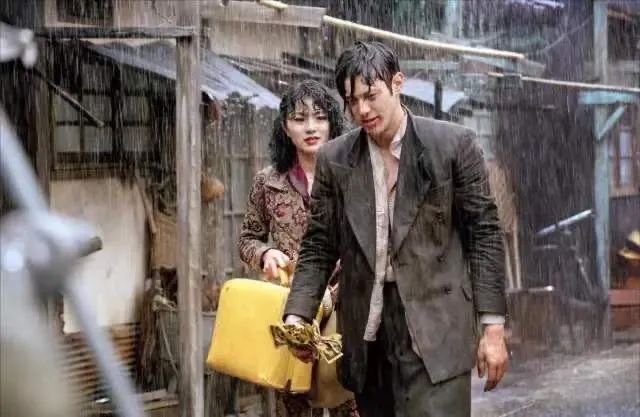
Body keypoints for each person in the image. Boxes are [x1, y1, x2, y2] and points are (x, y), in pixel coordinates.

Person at [283, 41, 509, 417]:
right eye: (352, 101)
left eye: (371, 96)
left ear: (397, 83)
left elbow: (484, 234)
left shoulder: (451, 146)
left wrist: (493, 327)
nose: (362, 110)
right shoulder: (335, 160)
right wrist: (298, 317)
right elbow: (319, 245)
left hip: (437, 324)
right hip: (368, 334)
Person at [238, 80, 357, 417]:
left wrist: (336, 292)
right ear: (285, 127)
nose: (310, 127)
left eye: (319, 117)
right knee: (293, 401)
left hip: (345, 306)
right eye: (299, 119)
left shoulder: (353, 177)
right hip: (292, 309)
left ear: (332, 124)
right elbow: (247, 239)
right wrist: (265, 254)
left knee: (349, 400)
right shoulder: (267, 181)